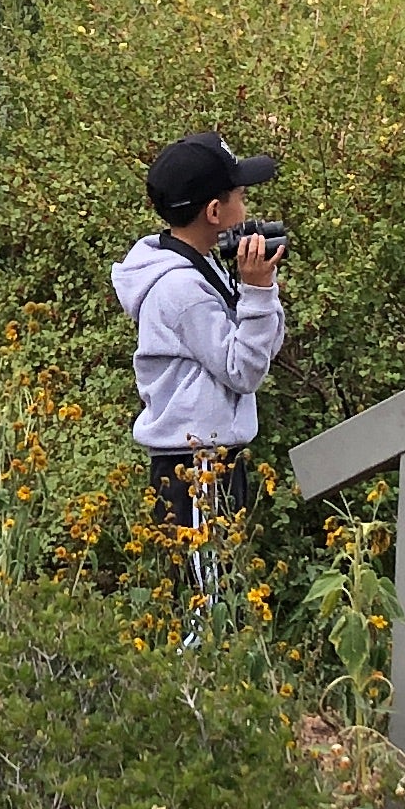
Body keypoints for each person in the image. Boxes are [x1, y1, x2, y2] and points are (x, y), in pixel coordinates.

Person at [111, 133, 288, 622]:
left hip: (210, 460)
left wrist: (260, 290)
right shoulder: (181, 289)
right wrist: (257, 293)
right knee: (207, 606)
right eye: (240, 196)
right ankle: (199, 671)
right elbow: (244, 370)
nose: (246, 207)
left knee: (221, 587)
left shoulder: (204, 266)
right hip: (197, 466)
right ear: (214, 211)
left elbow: (264, 346)